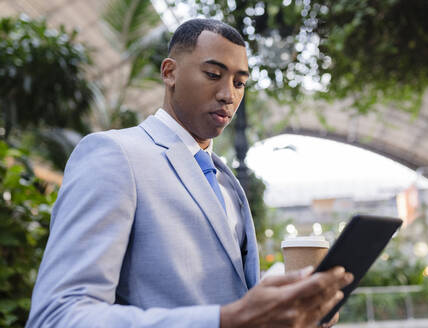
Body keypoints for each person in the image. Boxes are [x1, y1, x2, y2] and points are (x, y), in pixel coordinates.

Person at [26, 18, 353, 328]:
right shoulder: (114, 155)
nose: (229, 94)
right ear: (169, 72)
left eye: (240, 83)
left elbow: (233, 299)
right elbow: (58, 315)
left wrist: (288, 309)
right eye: (213, 74)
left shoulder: (226, 180)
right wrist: (225, 320)